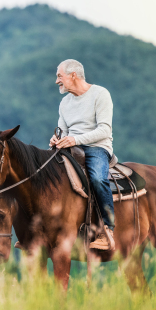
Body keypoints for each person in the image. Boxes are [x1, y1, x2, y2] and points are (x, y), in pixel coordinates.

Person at [49, 59, 115, 251]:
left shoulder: (100, 94)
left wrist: (75, 140)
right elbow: (62, 130)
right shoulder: (64, 102)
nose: (56, 81)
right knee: (44, 174)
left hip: (96, 147)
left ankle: (108, 229)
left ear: (73, 75)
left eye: (59, 76)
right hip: (70, 147)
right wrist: (55, 139)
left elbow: (104, 130)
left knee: (97, 179)